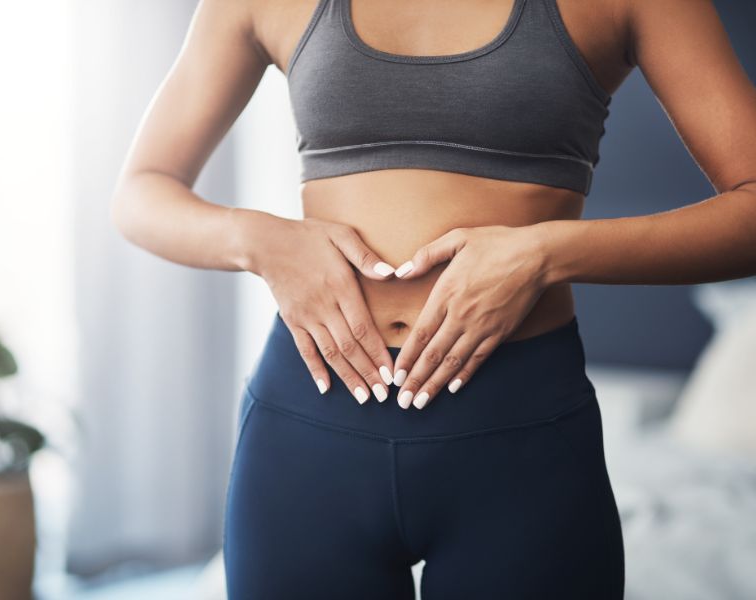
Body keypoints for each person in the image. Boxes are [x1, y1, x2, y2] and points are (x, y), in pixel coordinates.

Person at [110, 0, 756, 597]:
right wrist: (263, 241)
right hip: (309, 426)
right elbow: (142, 191)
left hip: (518, 436)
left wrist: (543, 255)